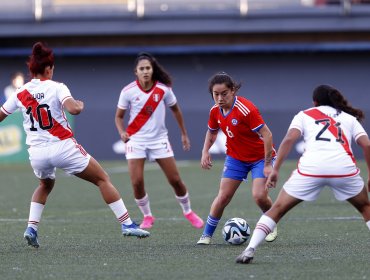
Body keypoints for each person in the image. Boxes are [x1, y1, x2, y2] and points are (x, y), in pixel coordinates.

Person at [0, 42, 150, 248]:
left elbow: (1, 115)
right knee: (102, 179)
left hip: (37, 153)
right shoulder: (57, 87)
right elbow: (74, 109)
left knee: (45, 185)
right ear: (48, 69)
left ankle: (31, 228)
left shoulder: (20, 93)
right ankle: (127, 224)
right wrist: (79, 104)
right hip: (62, 147)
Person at [236, 84, 370, 264]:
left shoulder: (304, 115)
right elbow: (367, 145)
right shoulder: (348, 118)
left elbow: (289, 139)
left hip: (311, 170)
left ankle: (249, 250)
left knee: (277, 209)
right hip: (343, 169)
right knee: (365, 208)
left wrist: (275, 170)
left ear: (314, 102)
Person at [114, 52, 204, 229]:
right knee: (137, 181)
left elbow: (176, 110)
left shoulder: (163, 89)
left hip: (159, 140)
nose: (145, 71)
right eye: (142, 69)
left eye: (148, 68)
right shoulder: (128, 91)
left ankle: (188, 211)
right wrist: (122, 132)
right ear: (136, 72)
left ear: (152, 69)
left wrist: (184, 134)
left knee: (175, 180)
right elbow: (118, 117)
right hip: (136, 140)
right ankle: (147, 216)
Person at [197, 72, 277, 245]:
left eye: (224, 93)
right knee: (223, 197)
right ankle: (206, 235)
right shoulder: (214, 111)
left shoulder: (246, 109)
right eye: (215, 94)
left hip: (260, 158)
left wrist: (268, 164)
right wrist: (205, 152)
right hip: (236, 158)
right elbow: (211, 132)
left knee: (259, 196)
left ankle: (270, 222)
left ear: (233, 91)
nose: (219, 98)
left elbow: (267, 135)